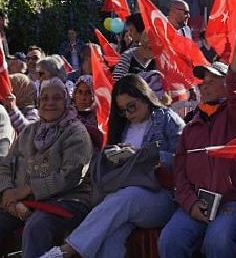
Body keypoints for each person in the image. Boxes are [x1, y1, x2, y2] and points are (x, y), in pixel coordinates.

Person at [41, 74, 185, 258]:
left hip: (160, 197)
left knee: (128, 197)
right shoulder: (123, 126)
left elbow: (183, 159)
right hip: (122, 198)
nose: (128, 114)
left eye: (131, 107)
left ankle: (68, 250)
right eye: (123, 110)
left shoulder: (167, 119)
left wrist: (147, 157)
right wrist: (115, 157)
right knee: (110, 239)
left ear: (145, 96)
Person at [158, 25, 236, 258]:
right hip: (197, 204)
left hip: (233, 204)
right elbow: (180, 173)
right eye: (203, 83)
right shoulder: (191, 127)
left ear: (225, 84)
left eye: (212, 81)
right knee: (169, 241)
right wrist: (190, 203)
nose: (205, 86)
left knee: (217, 242)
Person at [0, 78, 93, 258]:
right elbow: (5, 165)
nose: (50, 103)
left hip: (67, 200)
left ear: (66, 102)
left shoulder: (77, 132)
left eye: (56, 98)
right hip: (25, 199)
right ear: (38, 102)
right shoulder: (29, 131)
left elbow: (71, 176)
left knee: (37, 226)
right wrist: (8, 193)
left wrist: (25, 191)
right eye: (45, 98)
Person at [72, 75, 104, 150]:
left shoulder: (100, 119)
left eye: (88, 93)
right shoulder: (67, 117)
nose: (83, 97)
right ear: (75, 94)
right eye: (80, 92)